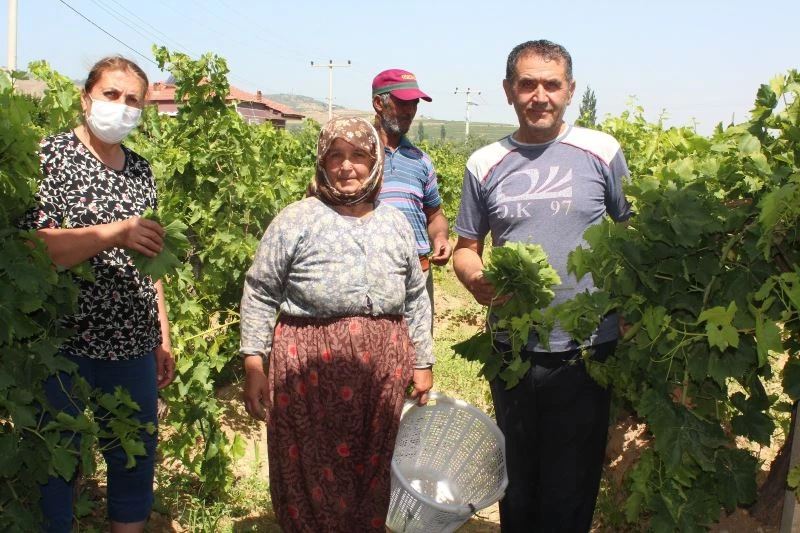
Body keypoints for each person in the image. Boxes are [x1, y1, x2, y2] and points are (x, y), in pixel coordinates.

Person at [452, 40, 633, 532]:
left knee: (572, 484)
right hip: (514, 350)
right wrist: (475, 278)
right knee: (518, 479)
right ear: (509, 90)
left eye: (551, 84)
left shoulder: (602, 151)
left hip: (589, 347)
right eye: (527, 84)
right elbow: (465, 246)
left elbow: (634, 235)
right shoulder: (484, 163)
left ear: (570, 91)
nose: (539, 95)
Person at [240, 116, 434, 532]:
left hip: (384, 362)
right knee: (311, 462)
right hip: (308, 362)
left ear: (375, 161)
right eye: (336, 156)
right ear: (322, 163)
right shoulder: (296, 219)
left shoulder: (395, 222)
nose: (347, 166)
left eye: (359, 155)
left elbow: (416, 296)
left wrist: (423, 360)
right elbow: (260, 291)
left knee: (375, 458)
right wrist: (254, 364)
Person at [19, 56, 176, 532]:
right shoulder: (50, 157)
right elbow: (35, 250)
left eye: (133, 101)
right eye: (112, 95)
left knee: (134, 455)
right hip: (64, 343)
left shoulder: (141, 171)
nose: (122, 107)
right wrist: (114, 233)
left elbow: (152, 259)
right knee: (56, 459)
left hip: (131, 340)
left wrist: (162, 335)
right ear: (85, 97)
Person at [371, 69, 452, 319]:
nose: (410, 111)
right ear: (378, 103)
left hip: (418, 272)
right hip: (369, 274)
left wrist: (440, 238)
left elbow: (435, 214)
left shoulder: (421, 161)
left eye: (414, 103)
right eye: (402, 102)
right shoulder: (355, 156)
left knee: (418, 352)